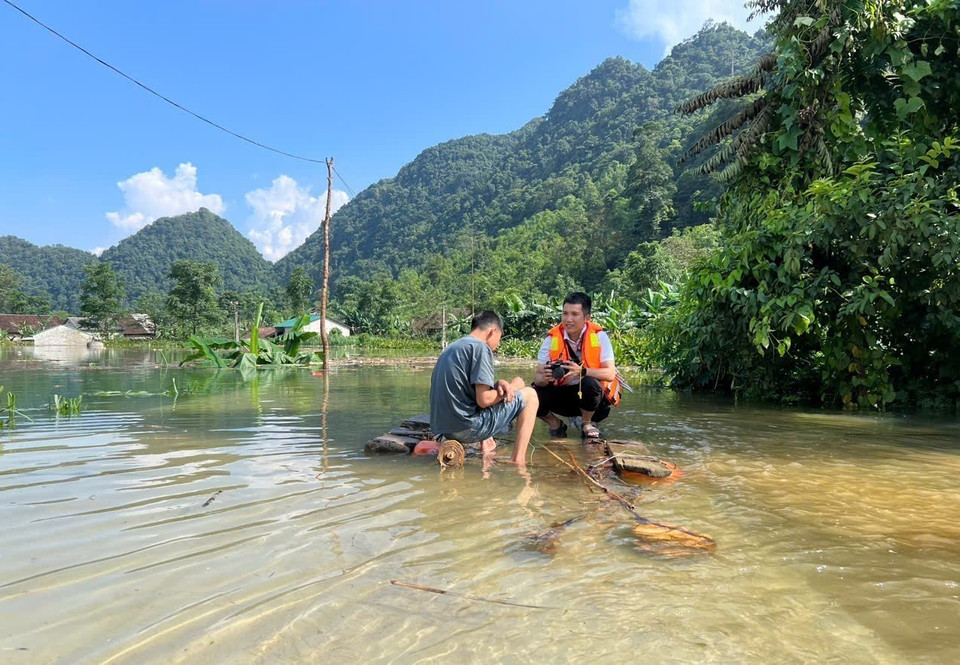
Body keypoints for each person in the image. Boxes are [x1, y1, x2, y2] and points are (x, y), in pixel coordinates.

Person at [429, 311, 539, 464]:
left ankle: (488, 446)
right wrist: (514, 386)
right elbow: (484, 400)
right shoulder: (480, 347)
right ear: (493, 331)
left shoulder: (453, 347)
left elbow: (470, 390)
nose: (497, 345)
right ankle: (518, 460)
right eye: (499, 339)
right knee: (530, 395)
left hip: (444, 428)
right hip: (466, 428)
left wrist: (498, 384)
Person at [533, 292, 620, 440]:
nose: (568, 319)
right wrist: (545, 377)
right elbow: (538, 378)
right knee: (532, 393)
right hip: (563, 395)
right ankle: (555, 424)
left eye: (574, 314)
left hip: (593, 400)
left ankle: (586, 422)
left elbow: (610, 374)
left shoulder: (600, 337)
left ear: (586, 318)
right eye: (565, 314)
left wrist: (582, 371)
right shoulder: (551, 339)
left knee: (589, 383)